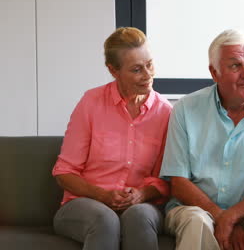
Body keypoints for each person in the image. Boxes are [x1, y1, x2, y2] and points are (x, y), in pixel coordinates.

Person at [159, 29, 244, 250]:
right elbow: (179, 184)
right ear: (214, 72)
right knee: (197, 222)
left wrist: (232, 217)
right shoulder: (185, 109)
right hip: (193, 208)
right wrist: (222, 216)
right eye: (235, 65)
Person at [52, 27, 172, 250]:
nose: (147, 75)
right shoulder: (91, 102)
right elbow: (64, 172)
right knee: (105, 220)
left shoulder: (165, 112)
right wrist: (103, 195)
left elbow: (165, 178)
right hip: (84, 204)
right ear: (113, 70)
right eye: (136, 69)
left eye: (150, 64)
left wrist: (141, 194)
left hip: (140, 205)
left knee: (138, 215)